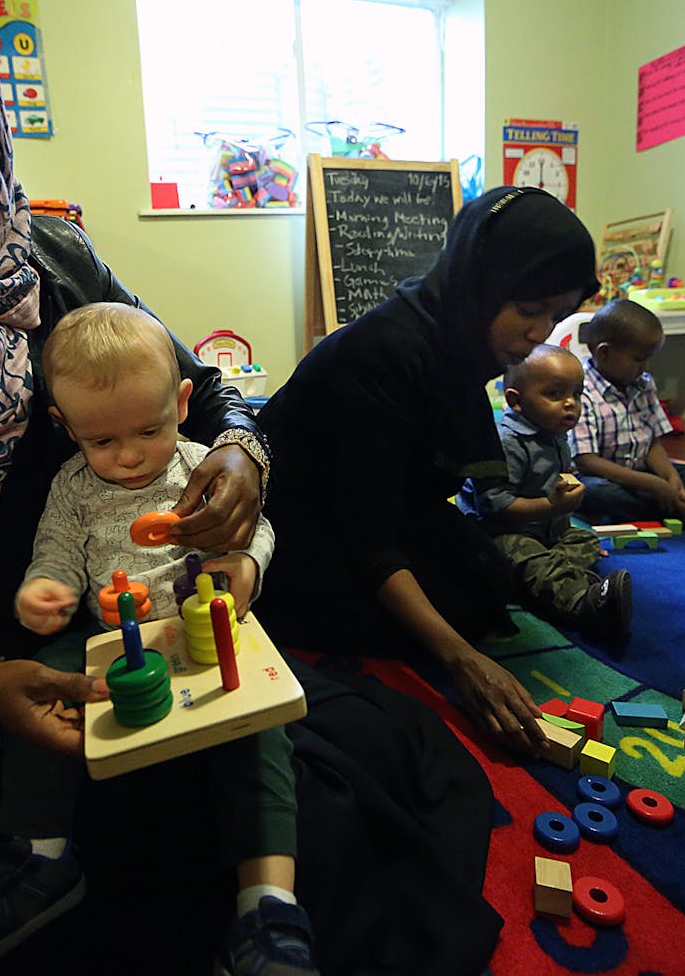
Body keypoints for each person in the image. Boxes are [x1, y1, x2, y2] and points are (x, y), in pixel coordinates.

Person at [0, 0, 505, 974]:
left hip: (118, 614)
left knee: (263, 808)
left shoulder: (49, 258)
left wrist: (240, 453)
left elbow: (201, 387)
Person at [0, 302, 307, 974]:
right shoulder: (72, 488)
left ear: (183, 402)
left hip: (207, 627)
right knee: (39, 685)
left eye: (147, 430)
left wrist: (246, 564)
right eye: (101, 442)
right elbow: (56, 553)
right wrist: (44, 590)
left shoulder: (198, 467)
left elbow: (257, 529)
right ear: (65, 428)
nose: (129, 456)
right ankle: (40, 856)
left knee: (262, 723)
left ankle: (269, 900)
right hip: (109, 641)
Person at [255, 186, 600, 758]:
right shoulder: (386, 351)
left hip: (384, 505)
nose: (541, 333)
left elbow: (425, 485)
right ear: (481, 284)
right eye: (530, 309)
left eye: (556, 315)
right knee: (454, 619)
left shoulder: (458, 338)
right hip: (297, 529)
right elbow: (369, 535)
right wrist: (461, 661)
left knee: (489, 578)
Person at [461, 344, 633, 641]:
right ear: (516, 401)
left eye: (577, 394)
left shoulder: (553, 433)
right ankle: (586, 605)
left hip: (546, 529)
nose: (570, 404)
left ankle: (540, 584)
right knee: (530, 558)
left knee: (586, 539)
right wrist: (552, 506)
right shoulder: (507, 444)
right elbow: (495, 507)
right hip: (500, 535)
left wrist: (560, 504)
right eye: (555, 394)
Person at [570, 299, 685, 525]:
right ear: (604, 353)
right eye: (638, 359)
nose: (645, 368)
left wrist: (670, 478)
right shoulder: (580, 389)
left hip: (641, 475)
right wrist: (653, 484)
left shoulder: (643, 384)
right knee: (595, 493)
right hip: (600, 479)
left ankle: (658, 506)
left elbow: (652, 443)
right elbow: (586, 462)